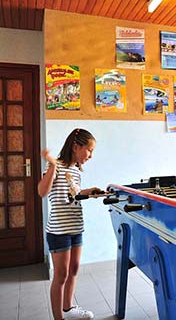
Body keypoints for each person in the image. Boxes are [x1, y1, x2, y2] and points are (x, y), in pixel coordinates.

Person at [38, 128, 101, 320]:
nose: (90, 155)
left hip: (76, 227)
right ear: (76, 146)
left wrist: (89, 191)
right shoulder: (55, 166)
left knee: (73, 269)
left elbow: (74, 194)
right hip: (59, 230)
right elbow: (42, 191)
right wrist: (52, 166)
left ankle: (69, 308)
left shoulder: (76, 171)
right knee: (61, 275)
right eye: (89, 150)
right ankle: (59, 318)